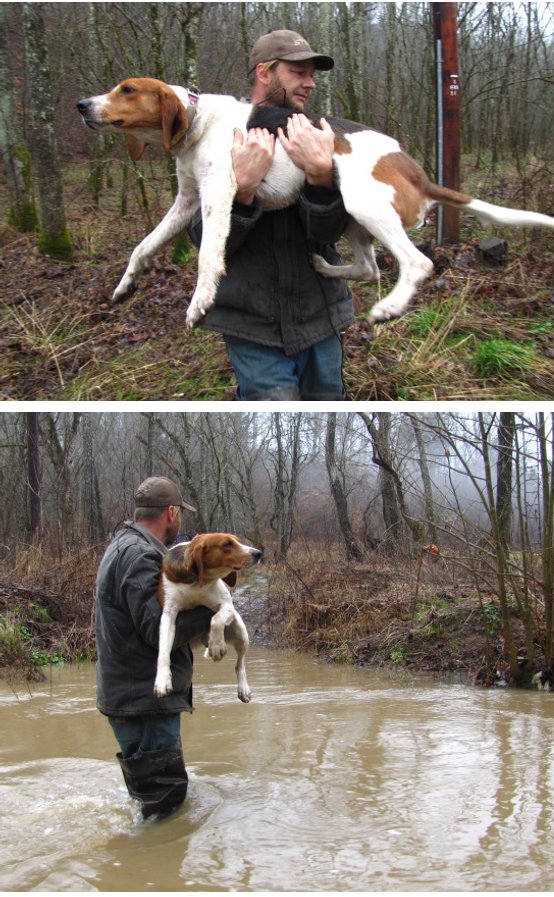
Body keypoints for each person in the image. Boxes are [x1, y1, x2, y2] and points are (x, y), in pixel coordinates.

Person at [188, 28, 355, 401]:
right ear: (265, 73)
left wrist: (320, 176)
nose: (310, 84)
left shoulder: (317, 136)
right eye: (298, 72)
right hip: (251, 324)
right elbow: (204, 240)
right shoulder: (220, 137)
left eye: (312, 74)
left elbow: (329, 234)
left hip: (320, 318)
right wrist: (243, 190)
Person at [95, 475, 212, 819]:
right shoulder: (142, 555)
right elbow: (154, 629)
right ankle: (150, 869)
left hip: (132, 697)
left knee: (152, 802)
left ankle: (140, 863)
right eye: (181, 514)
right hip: (144, 702)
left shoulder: (124, 544)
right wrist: (211, 607)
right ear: (172, 512)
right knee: (165, 809)